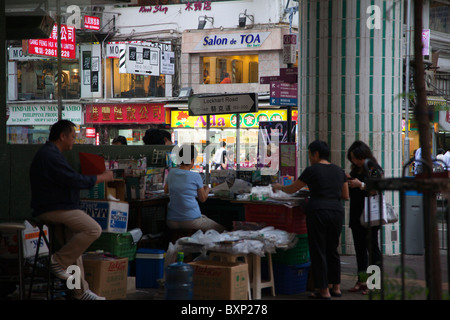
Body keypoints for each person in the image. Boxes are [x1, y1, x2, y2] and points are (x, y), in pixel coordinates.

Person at [29, 120, 114, 300]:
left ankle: (79, 293)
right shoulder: (49, 155)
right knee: (93, 229)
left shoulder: (52, 154)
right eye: (73, 137)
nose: (74, 141)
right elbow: (75, 180)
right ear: (62, 136)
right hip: (53, 208)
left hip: (59, 207)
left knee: (73, 248)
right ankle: (57, 261)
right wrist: (102, 177)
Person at [272, 140, 349, 299]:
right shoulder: (339, 171)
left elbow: (292, 189)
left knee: (318, 249)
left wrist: (279, 187)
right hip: (336, 211)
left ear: (315, 154)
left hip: (318, 211)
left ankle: (323, 291)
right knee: (332, 249)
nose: (309, 158)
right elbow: (345, 195)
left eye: (309, 154)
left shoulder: (312, 170)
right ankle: (336, 288)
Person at [346, 140, 383, 295]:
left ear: (364, 155)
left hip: (370, 216)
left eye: (357, 158)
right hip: (356, 214)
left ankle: (374, 283)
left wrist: (359, 184)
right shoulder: (356, 169)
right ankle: (361, 281)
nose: (354, 161)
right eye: (352, 158)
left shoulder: (373, 168)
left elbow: (377, 188)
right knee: (360, 250)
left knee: (372, 249)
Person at [164, 144, 225, 233]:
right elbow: (203, 199)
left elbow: (166, 191)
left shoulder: (171, 173)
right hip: (190, 221)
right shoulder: (195, 176)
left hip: (171, 221)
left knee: (204, 217)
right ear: (192, 160)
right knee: (221, 229)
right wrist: (207, 189)